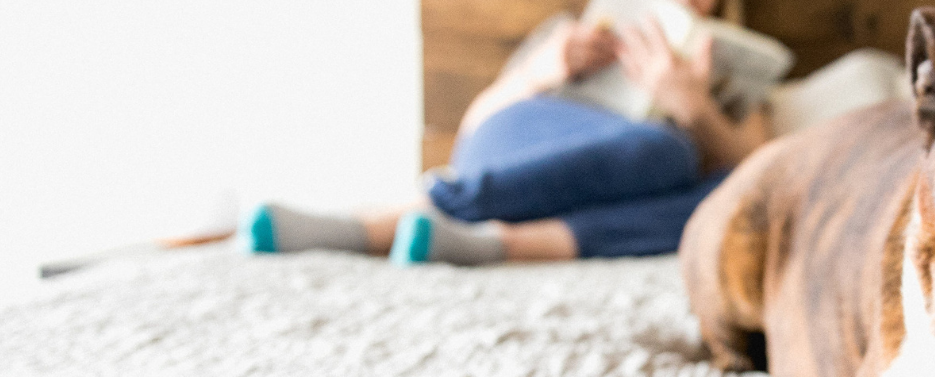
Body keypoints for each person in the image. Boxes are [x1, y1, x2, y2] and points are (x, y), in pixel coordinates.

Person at [242, 0, 771, 265]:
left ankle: (494, 242)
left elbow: (758, 177)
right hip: (523, 148)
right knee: (666, 149)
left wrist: (694, 105)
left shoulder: (731, 77)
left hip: (635, 195)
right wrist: (539, 73)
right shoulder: (562, 39)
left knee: (725, 203)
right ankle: (410, 213)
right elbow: (476, 133)